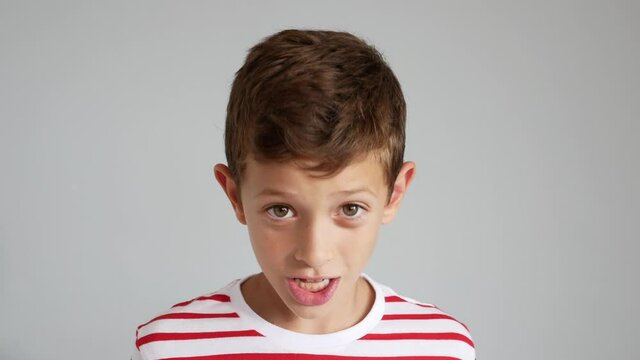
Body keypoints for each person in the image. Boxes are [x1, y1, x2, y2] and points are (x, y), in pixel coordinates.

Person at [131, 29, 475, 360]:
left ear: (394, 194)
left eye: (351, 208)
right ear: (235, 196)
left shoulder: (442, 349)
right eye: (281, 210)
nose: (314, 253)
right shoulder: (169, 348)